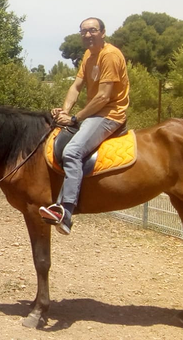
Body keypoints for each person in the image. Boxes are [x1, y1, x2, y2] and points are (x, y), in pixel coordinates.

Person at [39, 17, 129, 235]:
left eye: (92, 31)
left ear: (103, 32)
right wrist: (64, 110)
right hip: (93, 113)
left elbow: (103, 97)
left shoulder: (110, 55)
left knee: (72, 152)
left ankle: (66, 212)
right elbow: (76, 86)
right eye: (83, 32)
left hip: (109, 114)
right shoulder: (89, 55)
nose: (87, 35)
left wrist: (74, 118)